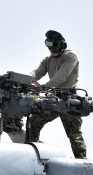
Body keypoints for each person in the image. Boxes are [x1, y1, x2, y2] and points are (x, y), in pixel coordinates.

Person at [27, 30, 87, 159]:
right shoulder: (48, 59)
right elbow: (36, 73)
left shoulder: (71, 56)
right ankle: (31, 155)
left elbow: (61, 77)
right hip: (53, 98)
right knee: (34, 122)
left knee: (74, 134)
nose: (52, 48)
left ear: (62, 44)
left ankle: (82, 161)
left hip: (69, 100)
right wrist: (26, 79)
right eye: (49, 45)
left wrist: (42, 87)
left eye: (55, 45)